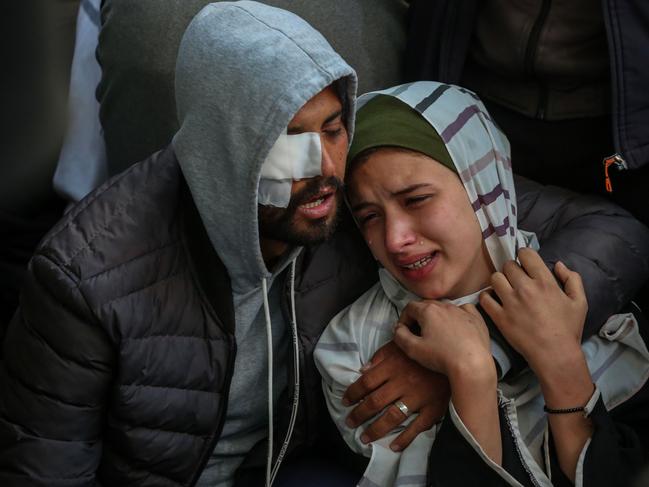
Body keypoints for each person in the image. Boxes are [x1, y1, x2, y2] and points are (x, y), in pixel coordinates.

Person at [1, 2, 648, 486]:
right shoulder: (87, 276)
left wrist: (482, 343)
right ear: (219, 141)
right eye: (285, 134)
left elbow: (612, 229)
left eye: (334, 126)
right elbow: (45, 466)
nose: (320, 165)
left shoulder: (353, 189)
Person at [315, 81, 649, 486]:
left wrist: (560, 362)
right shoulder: (353, 348)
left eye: (416, 199)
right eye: (369, 216)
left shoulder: (574, 293)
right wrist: (470, 373)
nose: (394, 239)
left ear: (482, 186)